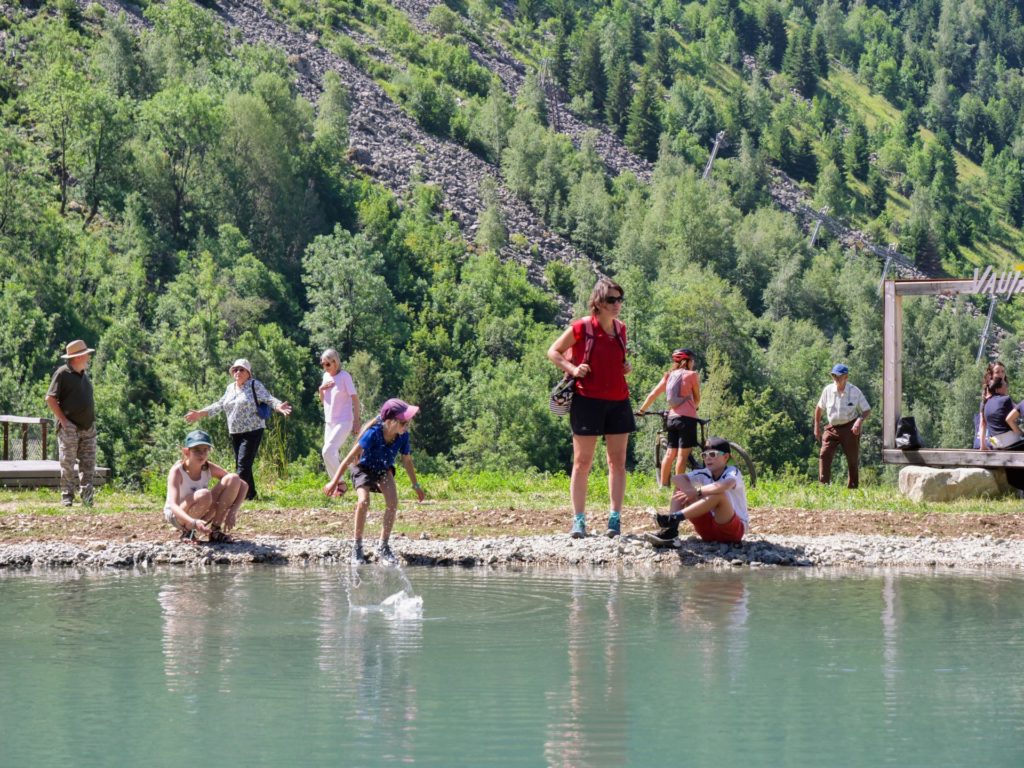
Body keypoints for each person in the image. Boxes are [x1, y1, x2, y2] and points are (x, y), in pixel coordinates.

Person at [546, 277, 634, 539]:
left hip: (618, 400)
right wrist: (573, 369)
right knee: (582, 462)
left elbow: (617, 360)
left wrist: (625, 367)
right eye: (611, 300)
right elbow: (553, 351)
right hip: (587, 400)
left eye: (619, 299)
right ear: (598, 301)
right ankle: (578, 520)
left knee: (617, 462)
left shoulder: (621, 329)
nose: (617, 304)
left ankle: (614, 519)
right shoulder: (582, 327)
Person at [323, 398, 426, 565]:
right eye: (403, 422)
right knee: (363, 501)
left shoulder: (403, 436)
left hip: (383, 469)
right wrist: (334, 482)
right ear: (390, 421)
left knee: (393, 502)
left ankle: (383, 545)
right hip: (362, 468)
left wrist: (416, 486)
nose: (406, 426)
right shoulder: (373, 433)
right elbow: (349, 458)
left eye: (408, 422)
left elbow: (407, 461)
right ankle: (357, 546)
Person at [185, 358, 292, 500]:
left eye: (241, 369)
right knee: (243, 464)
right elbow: (219, 405)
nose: (238, 372)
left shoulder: (254, 385)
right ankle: (250, 495)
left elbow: (269, 399)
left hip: (253, 431)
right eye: (235, 369)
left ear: (248, 373)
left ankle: (233, 497)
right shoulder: (230, 388)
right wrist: (200, 413)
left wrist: (278, 406)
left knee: (242, 465)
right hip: (235, 432)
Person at [644, 437, 748, 547]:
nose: (708, 458)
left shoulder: (732, 471)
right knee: (682, 487)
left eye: (712, 454)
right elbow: (677, 478)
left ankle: (675, 517)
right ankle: (670, 532)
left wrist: (697, 491)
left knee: (719, 496)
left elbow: (725, 485)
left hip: (731, 532)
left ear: (725, 457)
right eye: (704, 455)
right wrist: (689, 490)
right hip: (708, 532)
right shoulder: (705, 472)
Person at [163, 430, 248, 543]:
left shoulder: (208, 467)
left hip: (200, 511)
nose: (202, 454)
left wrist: (233, 511)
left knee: (233, 478)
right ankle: (188, 532)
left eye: (205, 450)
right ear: (186, 452)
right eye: (197, 450)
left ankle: (215, 531)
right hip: (178, 515)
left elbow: (243, 485)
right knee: (204, 494)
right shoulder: (177, 471)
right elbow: (173, 505)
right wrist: (193, 522)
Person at [636, 348, 701, 488]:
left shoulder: (668, 376)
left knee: (670, 453)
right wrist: (693, 407)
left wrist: (642, 410)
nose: (693, 363)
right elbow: (697, 399)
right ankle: (679, 488)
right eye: (692, 361)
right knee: (682, 456)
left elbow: (653, 394)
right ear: (686, 361)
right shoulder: (692, 375)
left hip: (672, 418)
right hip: (687, 419)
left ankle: (663, 486)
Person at [45, 340, 98, 507]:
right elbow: (50, 398)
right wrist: (64, 421)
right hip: (70, 428)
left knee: (88, 464)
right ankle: (67, 497)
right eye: (86, 355)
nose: (88, 358)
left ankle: (87, 498)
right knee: (68, 463)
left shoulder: (83, 374)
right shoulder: (62, 373)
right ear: (78, 357)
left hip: (88, 427)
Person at [813, 363, 871, 489]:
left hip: (849, 427)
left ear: (846, 377)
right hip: (831, 427)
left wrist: (859, 421)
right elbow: (819, 408)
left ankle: (853, 488)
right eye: (834, 376)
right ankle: (823, 487)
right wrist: (816, 427)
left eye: (838, 376)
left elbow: (866, 410)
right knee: (824, 454)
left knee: (852, 458)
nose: (836, 378)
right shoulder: (828, 390)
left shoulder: (855, 391)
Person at [317, 349, 360, 479]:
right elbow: (324, 402)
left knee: (327, 451)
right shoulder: (326, 376)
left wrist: (357, 421)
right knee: (330, 454)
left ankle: (339, 482)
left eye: (328, 364)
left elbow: (355, 399)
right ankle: (338, 485)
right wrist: (321, 390)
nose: (325, 367)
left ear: (335, 362)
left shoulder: (344, 376)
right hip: (329, 421)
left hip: (344, 421)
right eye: (323, 364)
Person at [976, 361, 1007, 449]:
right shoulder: (987, 398)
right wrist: (982, 445)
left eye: (1003, 371)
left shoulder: (1003, 392)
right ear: (991, 376)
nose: (1001, 375)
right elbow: (982, 422)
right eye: (997, 372)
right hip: (995, 441)